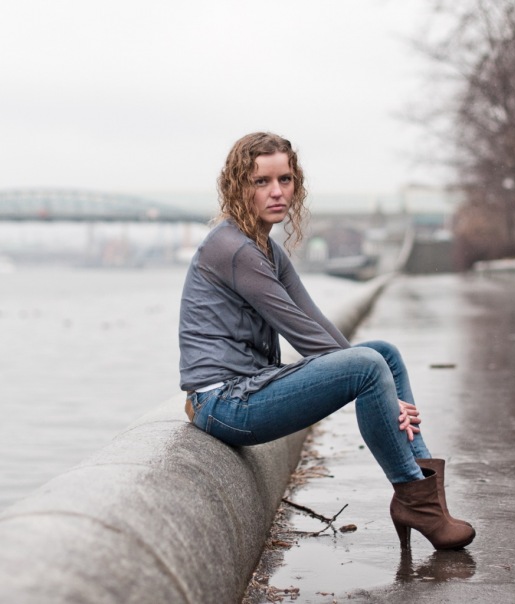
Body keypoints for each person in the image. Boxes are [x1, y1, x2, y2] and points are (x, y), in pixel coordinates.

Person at [178, 132, 475, 551]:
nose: (277, 192)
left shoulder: (266, 249)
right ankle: (416, 500)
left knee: (383, 355)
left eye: (284, 179)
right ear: (238, 186)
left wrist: (383, 385)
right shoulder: (233, 249)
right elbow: (301, 334)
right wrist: (383, 392)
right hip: (223, 404)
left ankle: (426, 500)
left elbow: (314, 321)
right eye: (261, 181)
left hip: (250, 389)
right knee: (369, 365)